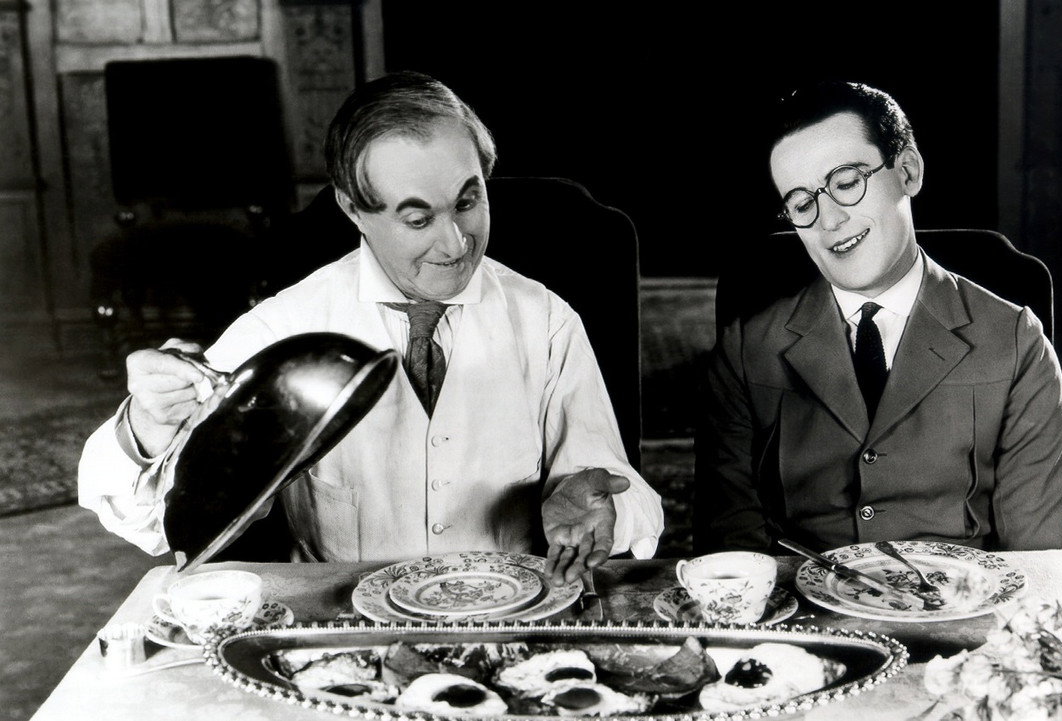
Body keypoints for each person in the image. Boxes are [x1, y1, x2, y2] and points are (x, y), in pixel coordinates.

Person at [78, 71, 663, 583]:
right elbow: (150, 522)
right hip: (345, 629)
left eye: (467, 203)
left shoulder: (546, 321)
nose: (455, 244)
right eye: (418, 219)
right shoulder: (287, 326)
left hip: (510, 614)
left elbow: (622, 492)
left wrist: (600, 505)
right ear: (353, 209)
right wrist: (148, 424)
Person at [695, 81, 1062, 553]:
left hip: (962, 596)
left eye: (846, 183)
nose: (829, 220)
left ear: (908, 171)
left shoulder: (1016, 343)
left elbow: (1038, 561)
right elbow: (732, 549)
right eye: (802, 203)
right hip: (801, 598)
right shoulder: (747, 349)